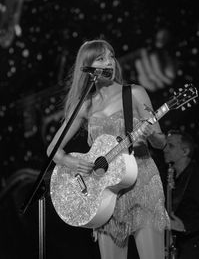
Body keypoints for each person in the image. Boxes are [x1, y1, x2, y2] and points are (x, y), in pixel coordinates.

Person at [47, 39, 169, 259]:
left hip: (143, 183)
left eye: (111, 56)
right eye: (101, 58)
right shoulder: (85, 105)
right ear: (87, 67)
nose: (109, 62)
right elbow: (53, 149)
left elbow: (161, 142)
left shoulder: (134, 93)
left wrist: (152, 137)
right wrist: (72, 162)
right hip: (105, 194)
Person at [163, 130, 199, 259]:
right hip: (181, 245)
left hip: (197, 245)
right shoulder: (170, 175)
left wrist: (185, 226)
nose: (165, 150)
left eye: (170, 146)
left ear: (185, 151)